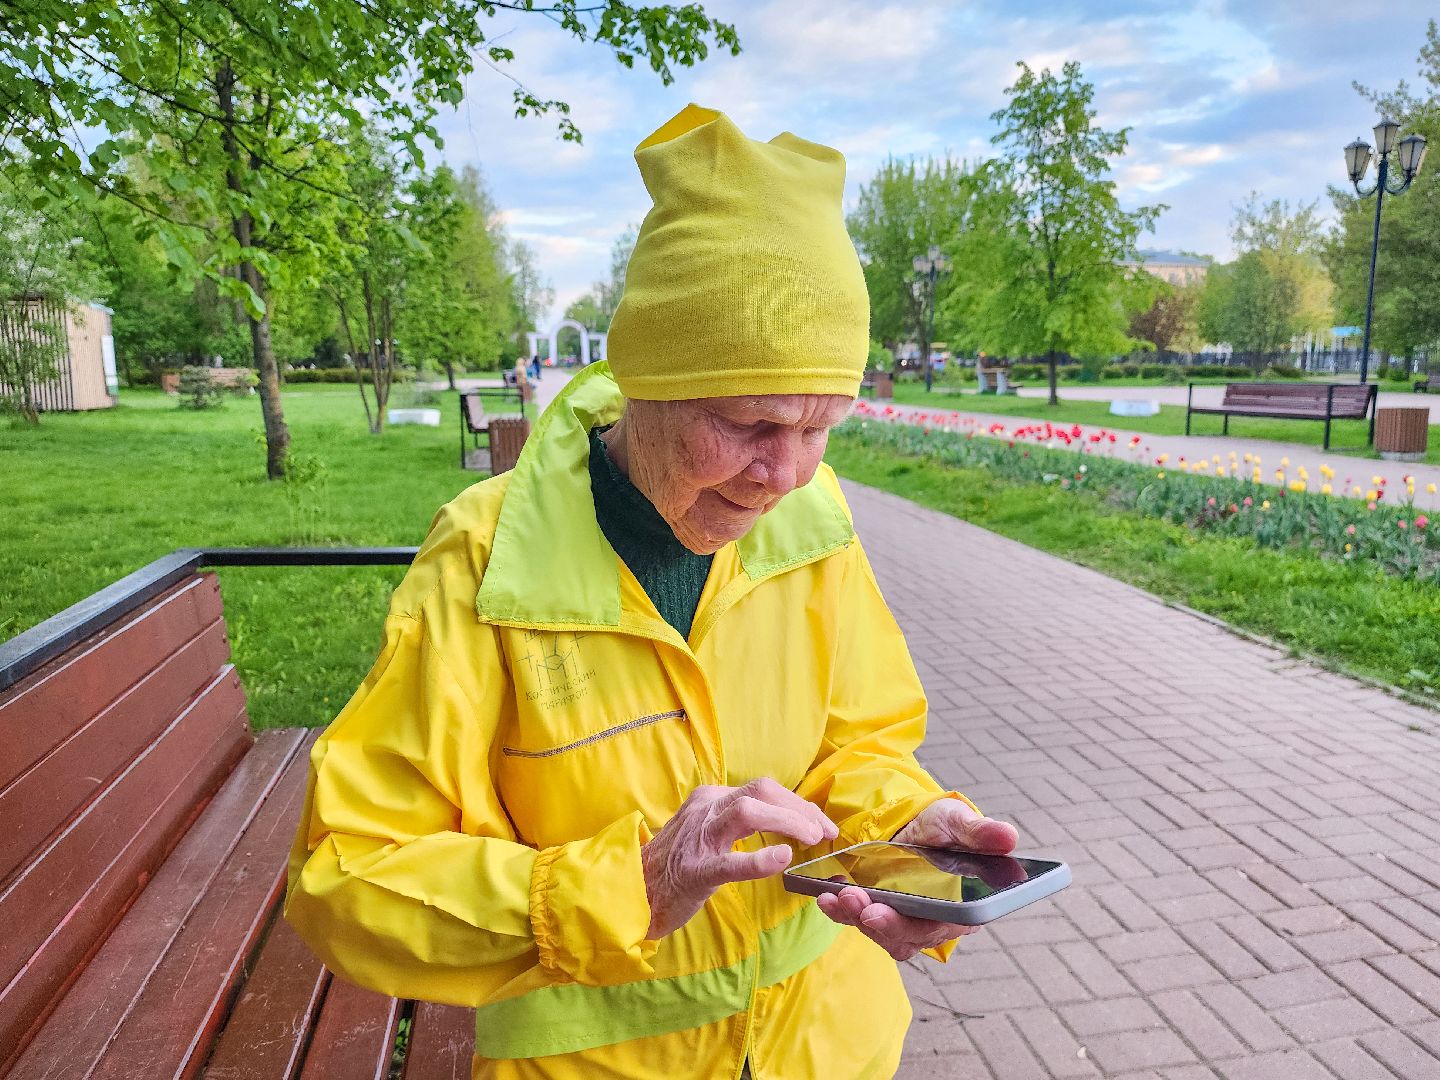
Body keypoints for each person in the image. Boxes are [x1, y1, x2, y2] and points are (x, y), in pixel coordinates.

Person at [286, 104, 1018, 1080]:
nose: (786, 472)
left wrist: (903, 832)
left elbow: (861, 742)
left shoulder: (814, 522)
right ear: (646, 381)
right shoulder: (485, 558)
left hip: (828, 1050)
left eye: (822, 426)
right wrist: (629, 883)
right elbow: (351, 875)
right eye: (750, 423)